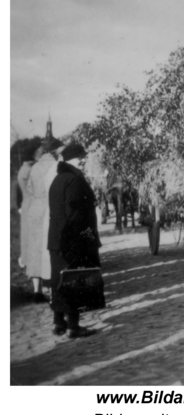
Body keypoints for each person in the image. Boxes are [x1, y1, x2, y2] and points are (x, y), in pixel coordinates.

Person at [48, 143, 102, 338]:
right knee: (74, 282)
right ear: (70, 159)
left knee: (58, 281)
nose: (83, 160)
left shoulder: (57, 180)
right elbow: (76, 217)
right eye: (80, 157)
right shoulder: (75, 180)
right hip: (72, 240)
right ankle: (73, 326)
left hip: (56, 239)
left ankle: (58, 322)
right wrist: (89, 238)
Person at [25, 138, 64, 302]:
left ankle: (36, 290)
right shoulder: (55, 166)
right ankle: (53, 288)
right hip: (50, 208)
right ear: (54, 151)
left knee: (34, 249)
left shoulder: (34, 167)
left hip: (35, 209)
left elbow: (29, 188)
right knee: (52, 247)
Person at [17, 146, 43, 270]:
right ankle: (30, 262)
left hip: (26, 203)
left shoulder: (23, 168)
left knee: (27, 234)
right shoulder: (29, 170)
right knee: (31, 235)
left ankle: (26, 260)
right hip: (31, 203)